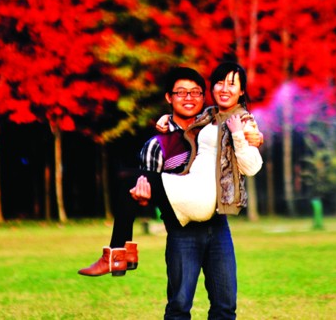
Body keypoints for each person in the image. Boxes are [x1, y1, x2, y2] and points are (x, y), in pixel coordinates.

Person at [77, 66, 263, 278]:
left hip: (208, 207)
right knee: (130, 181)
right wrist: (166, 118)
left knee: (127, 180)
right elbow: (192, 125)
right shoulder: (200, 123)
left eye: (195, 92)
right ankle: (121, 254)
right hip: (187, 211)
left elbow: (250, 159)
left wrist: (247, 135)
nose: (188, 98)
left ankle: (118, 255)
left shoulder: (230, 123)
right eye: (181, 93)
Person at [148, 61, 263, 319]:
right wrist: (166, 118)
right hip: (185, 225)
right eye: (220, 82)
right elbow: (183, 124)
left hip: (218, 223)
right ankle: (119, 250)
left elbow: (252, 166)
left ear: (241, 91)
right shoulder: (207, 116)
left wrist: (243, 137)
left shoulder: (245, 122)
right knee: (179, 305)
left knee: (225, 304)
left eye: (232, 84)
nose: (224, 88)